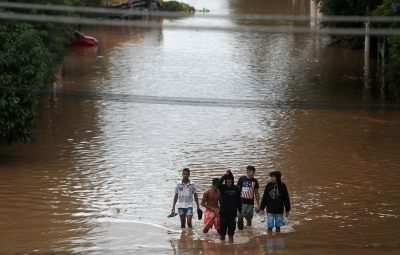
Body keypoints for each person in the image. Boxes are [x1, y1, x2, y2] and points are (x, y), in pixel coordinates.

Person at [217, 170, 242, 243]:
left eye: (230, 182)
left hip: (233, 214)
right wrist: (225, 175)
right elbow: (217, 184)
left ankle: (231, 249)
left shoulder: (236, 188)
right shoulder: (222, 188)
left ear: (232, 181)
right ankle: (222, 247)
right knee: (222, 234)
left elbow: (238, 201)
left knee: (231, 234)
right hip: (223, 214)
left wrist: (240, 211)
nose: (228, 184)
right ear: (225, 181)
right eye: (227, 182)